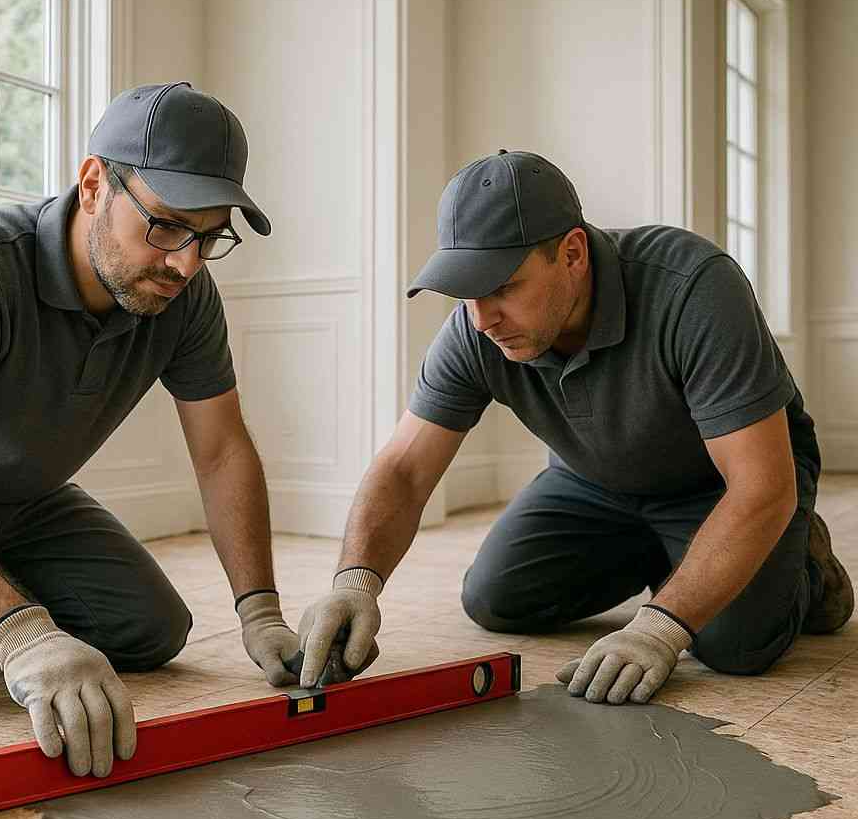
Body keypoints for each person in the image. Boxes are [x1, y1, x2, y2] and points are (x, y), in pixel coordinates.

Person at [0, 82, 306, 778]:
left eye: (211, 236)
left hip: (24, 500)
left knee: (151, 631)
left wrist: (260, 611)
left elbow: (222, 450)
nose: (188, 262)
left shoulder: (184, 294)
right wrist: (20, 635)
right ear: (94, 184)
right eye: (168, 225)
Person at [297, 150, 853, 704]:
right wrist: (355, 581)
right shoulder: (476, 328)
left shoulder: (693, 288)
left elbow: (761, 485)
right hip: (594, 481)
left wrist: (658, 628)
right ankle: (673, 557)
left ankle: (804, 562)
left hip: (719, 485)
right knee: (497, 599)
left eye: (503, 286)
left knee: (736, 646)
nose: (482, 318)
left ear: (572, 253)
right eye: (466, 291)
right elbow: (404, 468)